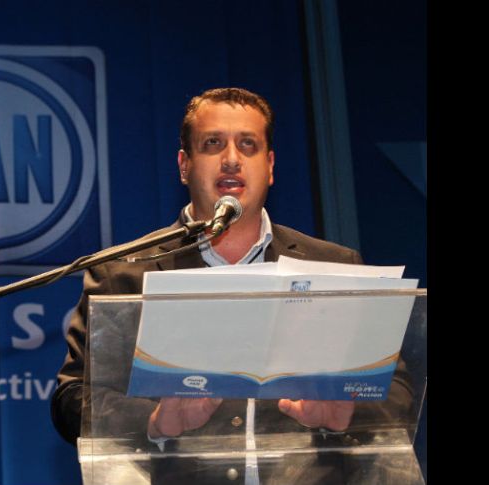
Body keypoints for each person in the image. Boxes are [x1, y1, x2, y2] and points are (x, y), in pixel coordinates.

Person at [50, 88, 414, 473]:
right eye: (212, 144)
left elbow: (399, 391)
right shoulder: (122, 273)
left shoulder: (333, 267)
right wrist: (154, 420)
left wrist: (348, 411)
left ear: (270, 165)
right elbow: (73, 398)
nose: (231, 160)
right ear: (184, 165)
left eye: (248, 145)